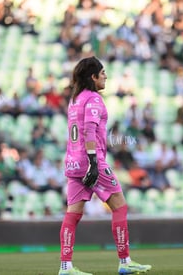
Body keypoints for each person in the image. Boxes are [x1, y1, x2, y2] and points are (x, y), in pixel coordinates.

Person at [58, 56, 151, 275]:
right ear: (93, 76)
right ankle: (125, 262)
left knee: (73, 214)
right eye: (103, 73)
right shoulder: (93, 99)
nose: (106, 76)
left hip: (72, 162)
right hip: (90, 161)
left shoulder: (74, 99)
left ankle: (65, 267)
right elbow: (89, 130)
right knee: (119, 206)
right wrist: (93, 162)